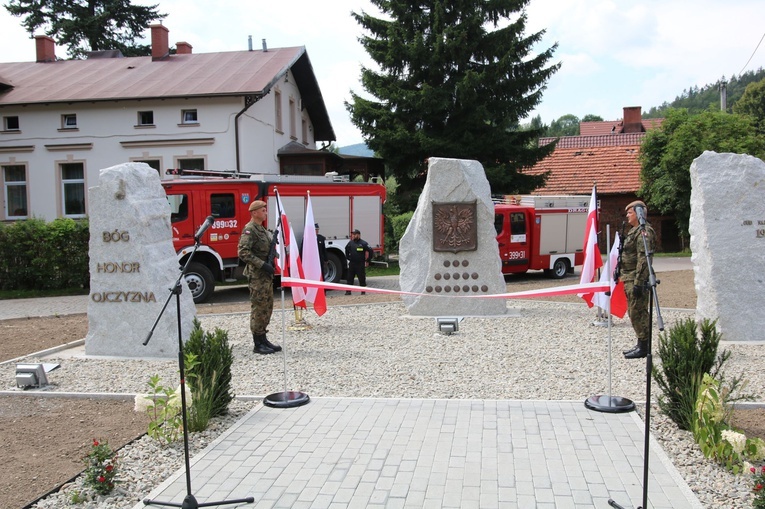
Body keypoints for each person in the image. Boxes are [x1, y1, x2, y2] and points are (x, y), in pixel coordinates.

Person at [237, 200, 281, 355]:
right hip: (257, 275)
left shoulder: (261, 230)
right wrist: (263, 264)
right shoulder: (250, 230)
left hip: (266, 276)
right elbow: (243, 252)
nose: (265, 212)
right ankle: (257, 343)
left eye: (265, 210)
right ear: (254, 212)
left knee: (267, 307)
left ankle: (263, 338)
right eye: (262, 210)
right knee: (258, 308)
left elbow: (266, 249)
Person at [620, 200, 656, 359]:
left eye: (630, 212)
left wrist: (638, 282)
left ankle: (644, 347)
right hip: (629, 277)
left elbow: (644, 258)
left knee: (638, 312)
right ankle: (641, 343)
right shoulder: (634, 231)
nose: (627, 215)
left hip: (636, 278)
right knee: (634, 311)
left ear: (639, 213)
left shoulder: (644, 232)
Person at [344, 228, 374, 295]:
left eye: (355, 234)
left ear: (358, 235)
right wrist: (348, 257)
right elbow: (346, 249)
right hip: (352, 263)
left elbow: (370, 251)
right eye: (353, 234)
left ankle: (363, 291)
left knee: (361, 278)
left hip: (360, 264)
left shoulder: (363, 243)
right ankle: (348, 291)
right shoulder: (350, 243)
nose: (353, 236)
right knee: (349, 278)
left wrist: (368, 260)